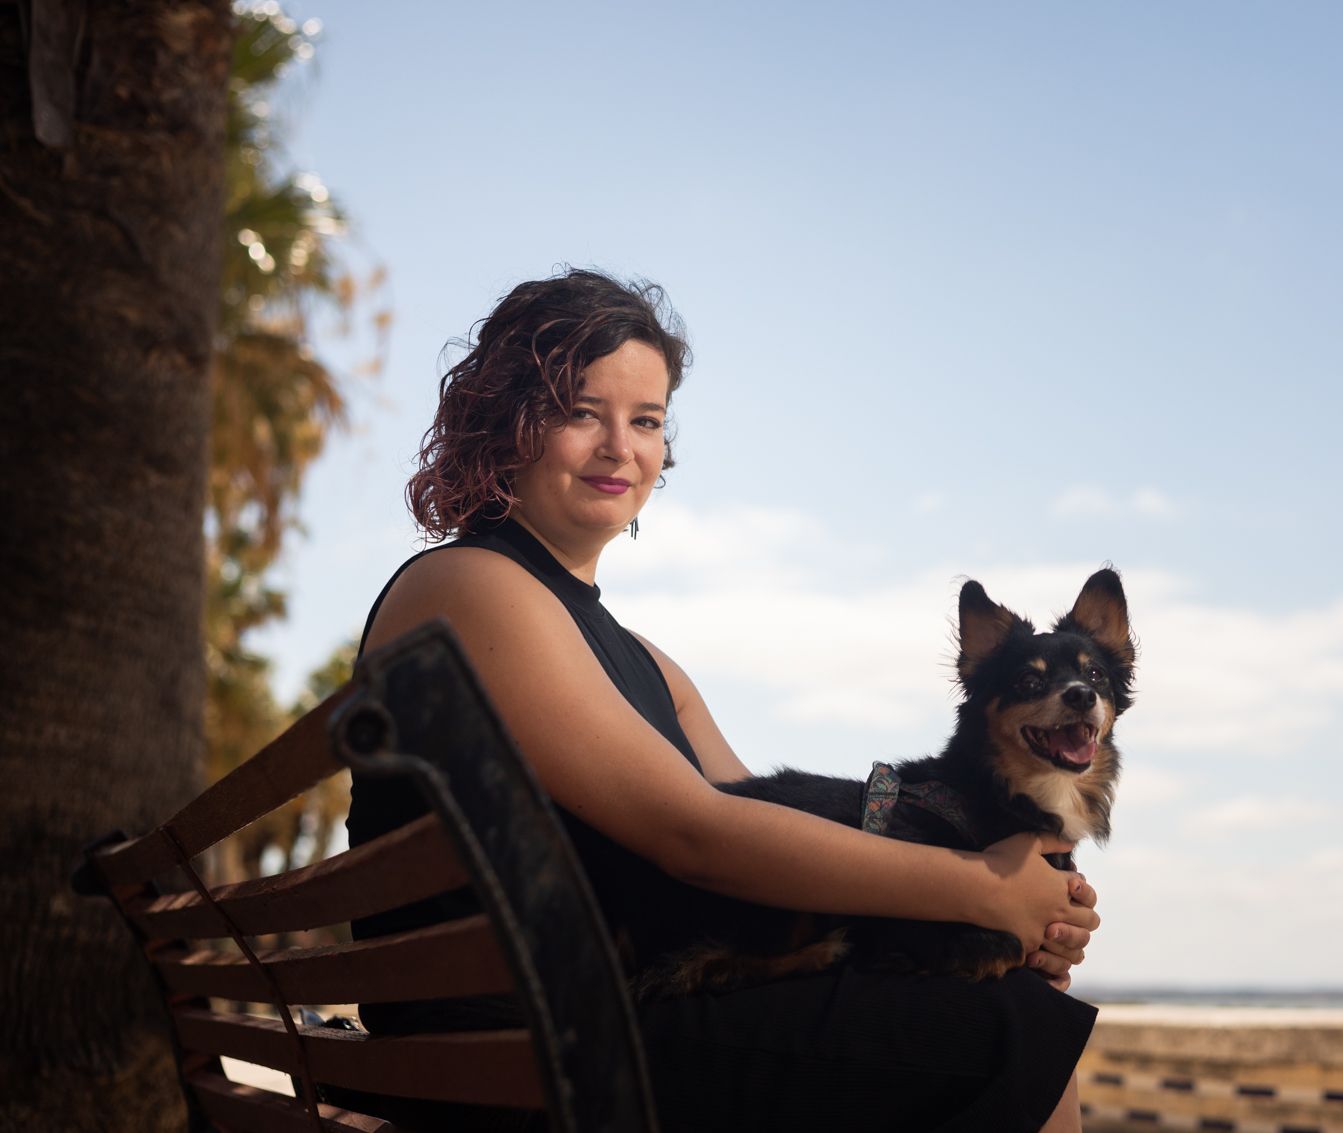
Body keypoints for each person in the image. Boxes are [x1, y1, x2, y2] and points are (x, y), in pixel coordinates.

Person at [347, 268, 1101, 1132]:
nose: (618, 447)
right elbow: (697, 834)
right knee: (1018, 1034)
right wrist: (977, 888)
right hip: (522, 1048)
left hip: (598, 1021)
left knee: (995, 1004)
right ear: (506, 418)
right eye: (581, 411)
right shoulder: (472, 585)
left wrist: (1011, 915)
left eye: (647, 421)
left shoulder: (644, 662)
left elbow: (779, 850)